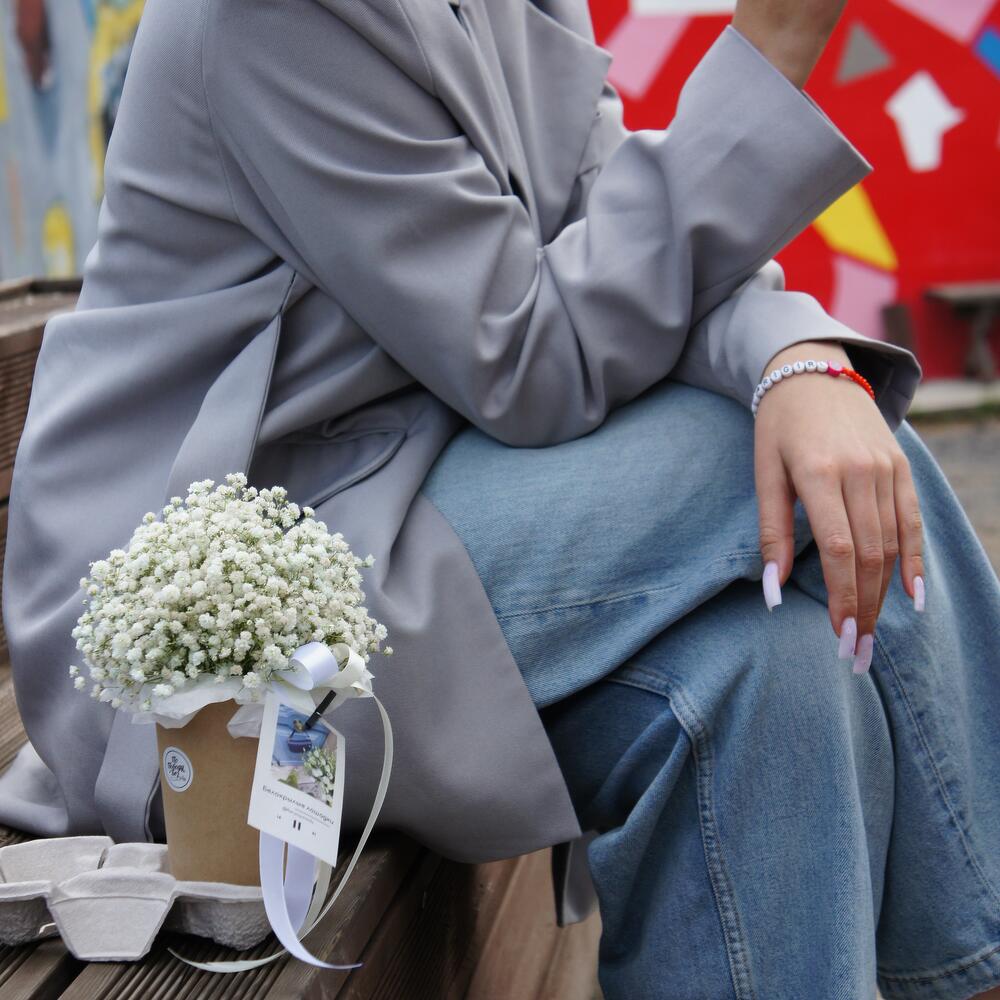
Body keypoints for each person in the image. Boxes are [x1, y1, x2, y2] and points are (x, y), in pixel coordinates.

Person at [1, 0, 998, 996]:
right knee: (787, 464)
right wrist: (772, 54)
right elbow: (528, 356)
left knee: (773, 666)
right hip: (208, 608)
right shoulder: (270, 18)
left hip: (408, 497)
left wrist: (794, 356)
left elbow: (628, 247)